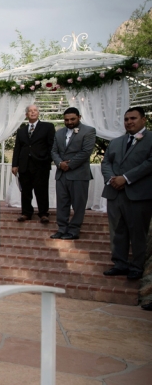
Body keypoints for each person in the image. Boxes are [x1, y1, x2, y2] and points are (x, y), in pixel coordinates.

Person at [101, 107, 152, 281]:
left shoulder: (151, 139)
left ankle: (137, 266)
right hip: (114, 193)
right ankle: (120, 263)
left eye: (133, 118)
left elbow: (149, 163)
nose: (129, 122)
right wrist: (112, 179)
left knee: (138, 232)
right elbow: (106, 162)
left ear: (143, 120)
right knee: (117, 231)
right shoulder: (116, 142)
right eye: (126, 119)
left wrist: (126, 178)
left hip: (138, 194)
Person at [50, 107, 97, 240]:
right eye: (66, 120)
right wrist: (60, 163)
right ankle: (62, 228)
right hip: (61, 174)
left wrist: (69, 165)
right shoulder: (59, 133)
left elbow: (86, 152)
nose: (69, 122)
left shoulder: (89, 131)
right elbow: (53, 151)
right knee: (62, 203)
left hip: (79, 174)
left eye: (72, 119)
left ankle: (74, 230)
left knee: (78, 204)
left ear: (79, 117)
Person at [12, 104, 56, 223]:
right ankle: (26, 213)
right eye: (30, 111)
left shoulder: (47, 127)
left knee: (41, 190)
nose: (32, 112)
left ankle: (43, 213)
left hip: (41, 165)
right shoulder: (21, 130)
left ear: (38, 113)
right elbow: (17, 148)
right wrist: (15, 164)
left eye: (35, 110)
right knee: (25, 191)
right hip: (24, 165)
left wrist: (47, 159)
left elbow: (52, 145)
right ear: (26, 115)